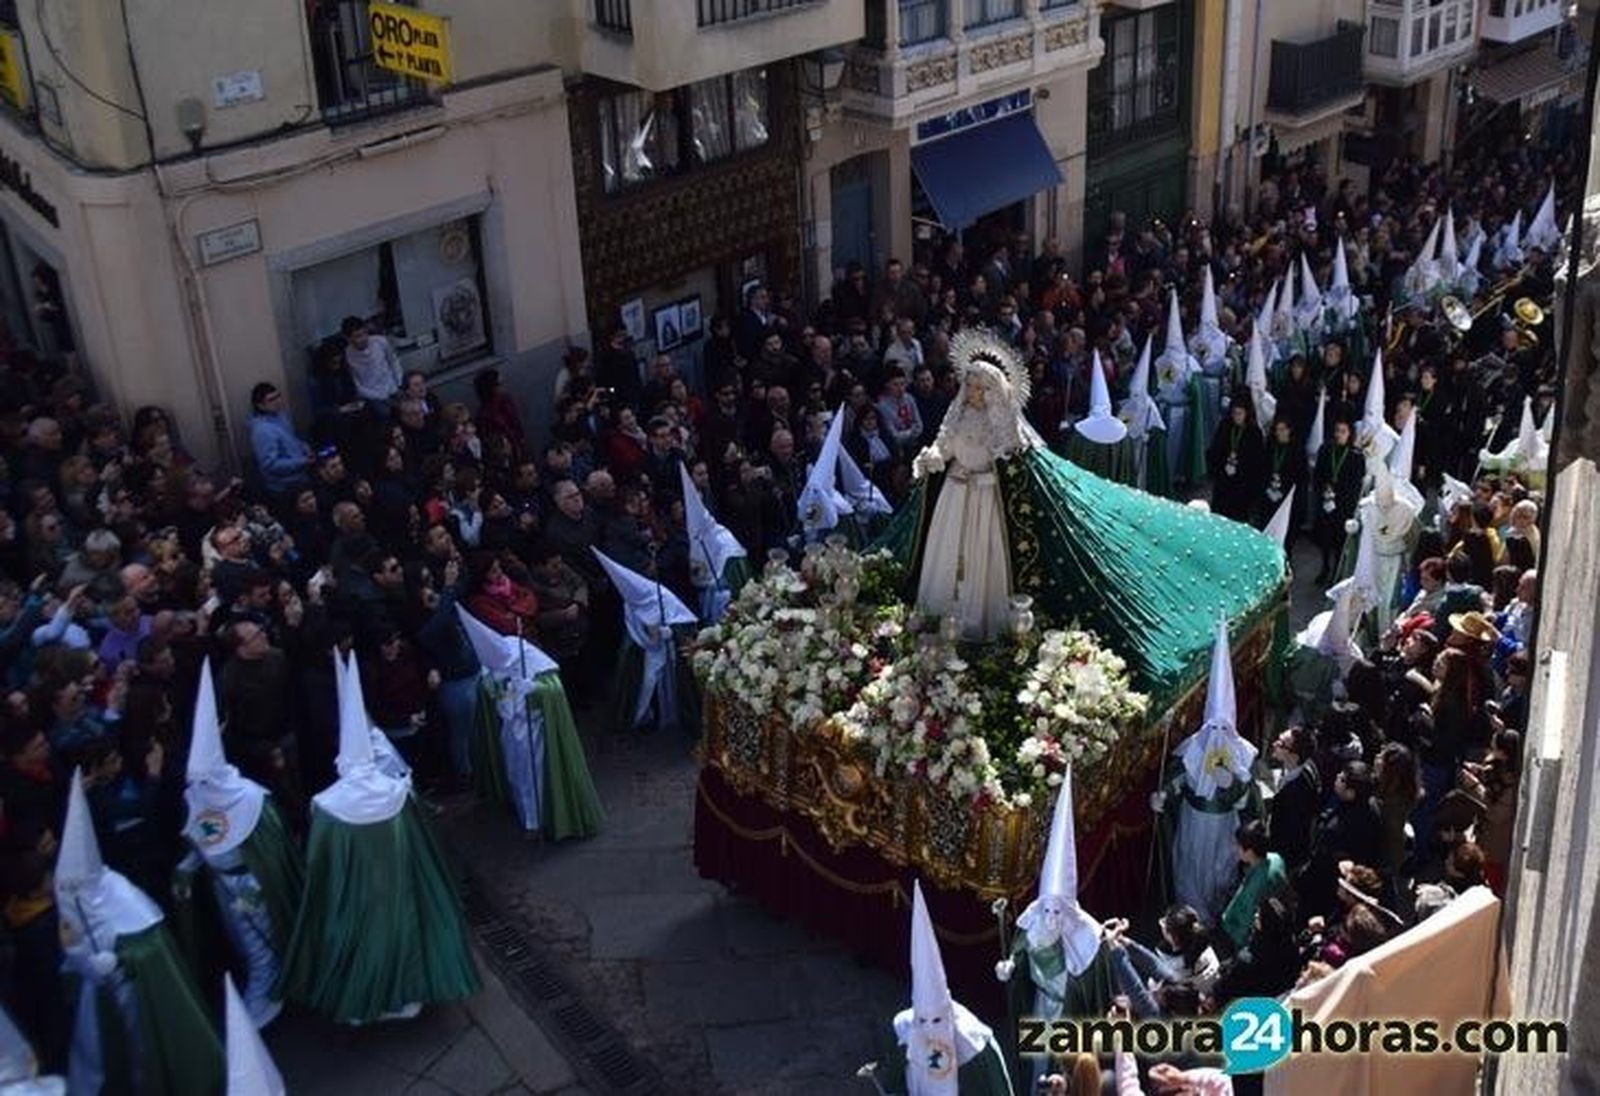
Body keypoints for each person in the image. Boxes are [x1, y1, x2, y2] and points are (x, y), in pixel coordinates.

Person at [277, 653, 480, 1023]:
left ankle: (370, 995)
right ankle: (407, 991)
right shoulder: (395, 791)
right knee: (402, 935)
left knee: (365, 943)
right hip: (396, 880)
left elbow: (320, 858)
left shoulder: (326, 804)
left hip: (358, 888)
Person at [56, 770, 224, 1093]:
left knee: (143, 1045)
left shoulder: (116, 889)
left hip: (133, 990)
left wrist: (122, 961)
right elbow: (72, 944)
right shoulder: (67, 897)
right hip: (98, 993)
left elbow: (148, 937)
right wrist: (91, 965)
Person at [173, 660, 304, 1027]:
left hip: (251, 883)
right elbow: (198, 838)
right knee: (243, 944)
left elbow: (271, 840)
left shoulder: (248, 797)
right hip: (222, 886)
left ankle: (267, 992)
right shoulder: (195, 796)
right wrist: (187, 869)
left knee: (260, 942)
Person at [996, 771, 1112, 1087]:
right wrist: (1011, 965)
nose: (1049, 917)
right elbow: (1022, 950)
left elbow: (1096, 991)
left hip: (1066, 1012)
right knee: (1036, 1061)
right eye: (1046, 908)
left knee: (1062, 1065)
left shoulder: (1089, 937)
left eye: (1056, 911)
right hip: (1040, 1003)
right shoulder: (1033, 921)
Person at [1153, 620, 1260, 923]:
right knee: (1189, 864)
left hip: (1223, 825)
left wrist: (1232, 783)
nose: (1216, 734)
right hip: (1194, 820)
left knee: (1220, 868)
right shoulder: (1194, 747)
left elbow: (1247, 799)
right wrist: (1164, 794)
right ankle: (1191, 914)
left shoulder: (1241, 753)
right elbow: (1179, 777)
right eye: (1212, 727)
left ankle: (1216, 912)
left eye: (1222, 728)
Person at [874, 880, 1013, 1096]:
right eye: (922, 1021)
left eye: (937, 1020)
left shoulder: (978, 1048)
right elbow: (895, 1079)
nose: (930, 1030)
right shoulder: (903, 1031)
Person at [1219, 820, 1287, 953]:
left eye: (1238, 846)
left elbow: (1246, 922)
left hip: (1253, 940)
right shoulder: (1276, 858)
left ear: (1249, 851)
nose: (1235, 849)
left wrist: (1230, 932)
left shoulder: (1256, 886)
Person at [247, 383, 313, 501]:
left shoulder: (281, 416)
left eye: (278, 396)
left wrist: (305, 448)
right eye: (271, 400)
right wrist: (302, 462)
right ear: (260, 405)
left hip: (300, 476)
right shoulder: (262, 431)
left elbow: (292, 439)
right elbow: (270, 465)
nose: (278, 401)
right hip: (285, 486)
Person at [1207, 394, 1267, 523]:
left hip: (1242, 483)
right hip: (1224, 480)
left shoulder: (1254, 432)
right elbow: (1216, 450)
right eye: (1234, 413)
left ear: (1246, 413)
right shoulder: (1225, 426)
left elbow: (1257, 462)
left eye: (1240, 413)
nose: (1237, 417)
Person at [341, 317, 401, 408]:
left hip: (392, 388)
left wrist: (398, 384)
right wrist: (377, 396)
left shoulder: (380, 341)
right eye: (358, 336)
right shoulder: (347, 354)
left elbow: (394, 362)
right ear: (348, 339)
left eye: (365, 333)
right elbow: (356, 384)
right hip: (371, 396)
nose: (364, 338)